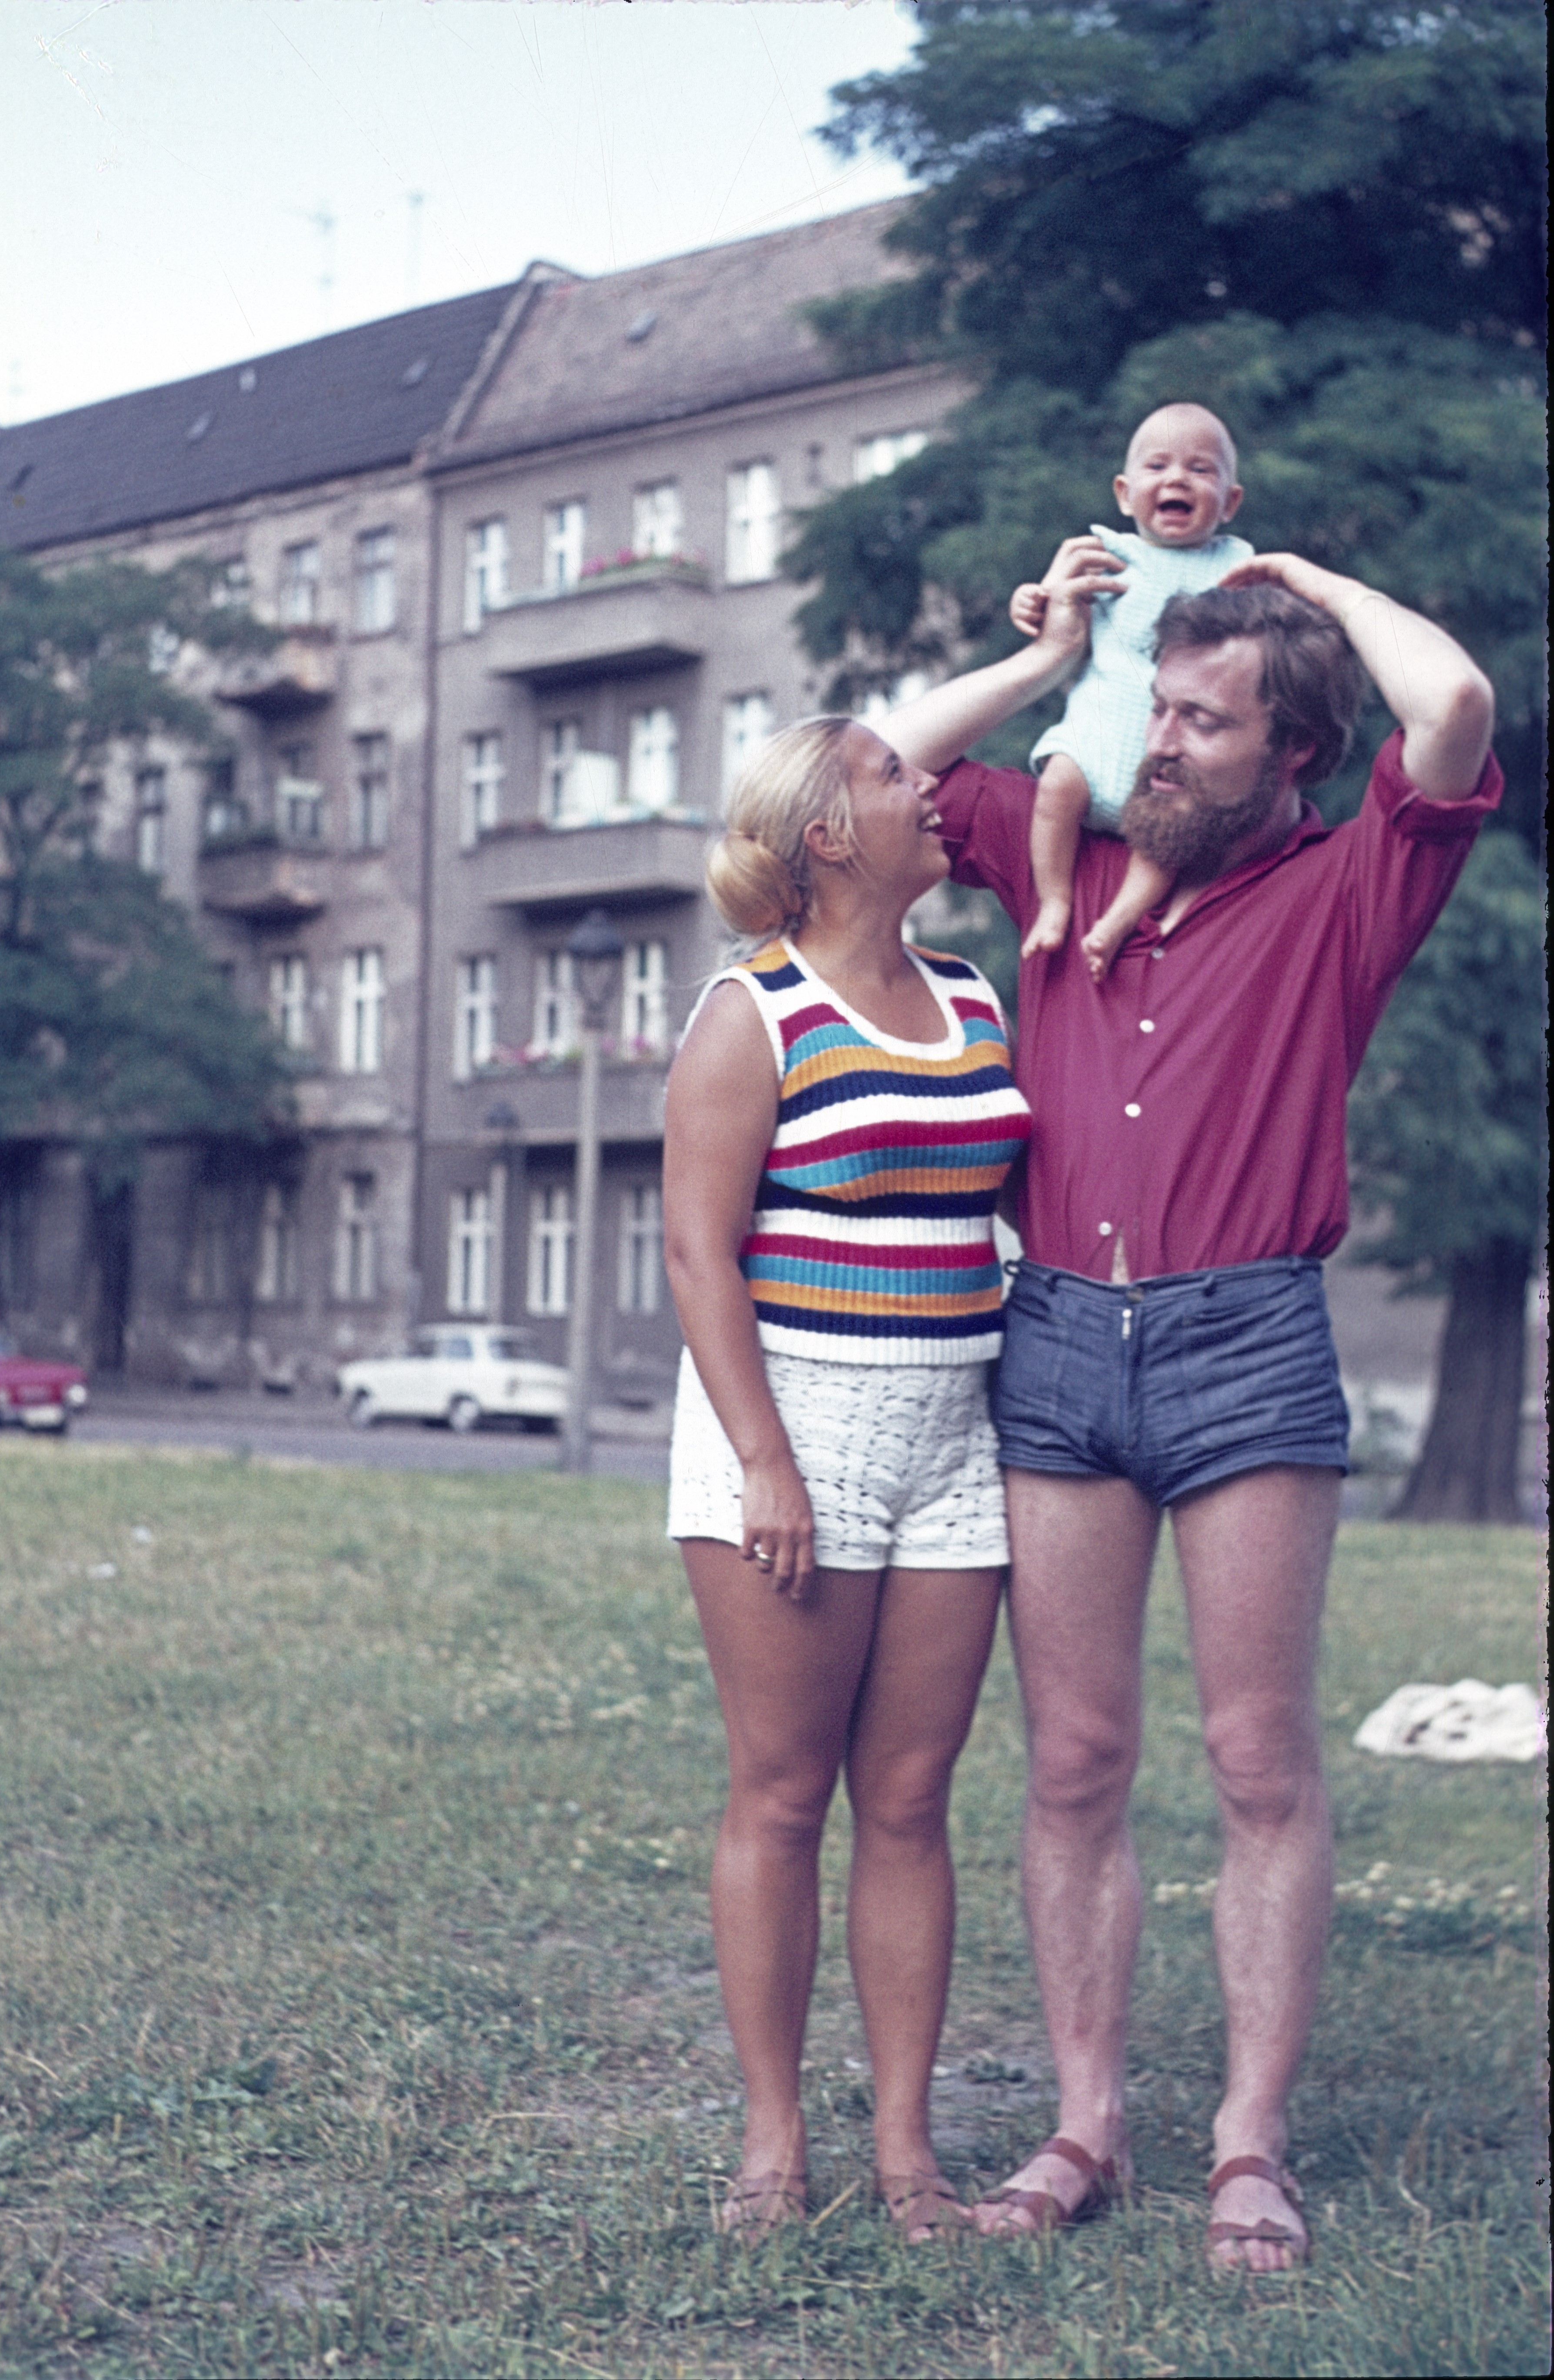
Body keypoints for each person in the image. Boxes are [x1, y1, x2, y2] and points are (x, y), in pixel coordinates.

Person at [881, 547, 1499, 2269]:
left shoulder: (1349, 883)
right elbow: (881, 769)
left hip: (1245, 1342)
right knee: (1072, 1760)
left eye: (1204, 721)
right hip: (1058, 1339)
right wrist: (1049, 658)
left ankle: (1245, 2141)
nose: (1161, 742)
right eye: (1156, 706)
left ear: (1286, 753)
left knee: (1254, 1760)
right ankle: (1082, 2123)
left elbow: (1445, 705)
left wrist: (1294, 571)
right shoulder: (1065, 849)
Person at [661, 697, 1061, 2239]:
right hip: (790, 1434)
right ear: (829, 833)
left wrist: (1053, 656)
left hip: (954, 1430)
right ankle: (773, 2142)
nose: (934, 793)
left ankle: (907, 2152)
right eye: (898, 778)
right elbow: (699, 1252)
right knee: (779, 1793)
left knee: (908, 1798)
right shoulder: (747, 1012)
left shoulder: (971, 993)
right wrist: (765, 1459)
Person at [1018, 402, 1251, 978]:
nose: (1176, 478)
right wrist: (1030, 599)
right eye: (1157, 466)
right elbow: (1053, 603)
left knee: (1166, 841)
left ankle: (1118, 921)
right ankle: (1054, 902)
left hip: (1170, 757)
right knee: (1053, 793)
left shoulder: (1236, 567)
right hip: (1095, 735)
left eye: (1200, 469)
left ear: (1229, 501)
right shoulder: (1107, 554)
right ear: (1124, 493)